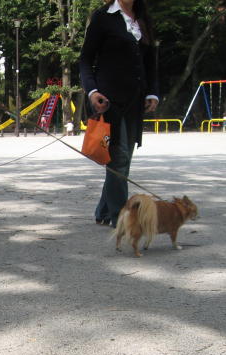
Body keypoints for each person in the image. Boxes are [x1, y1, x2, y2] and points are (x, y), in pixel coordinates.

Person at [79, 0, 159, 227]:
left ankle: (104, 211)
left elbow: (150, 61)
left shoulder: (143, 17)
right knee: (119, 157)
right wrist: (92, 91)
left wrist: (153, 92)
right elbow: (85, 59)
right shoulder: (103, 16)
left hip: (136, 101)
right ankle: (121, 218)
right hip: (108, 101)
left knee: (123, 159)